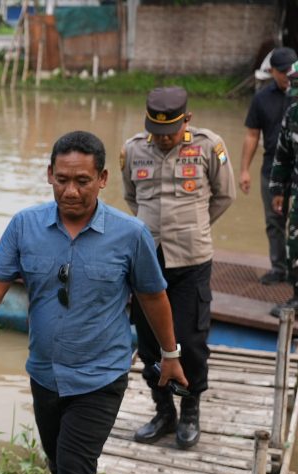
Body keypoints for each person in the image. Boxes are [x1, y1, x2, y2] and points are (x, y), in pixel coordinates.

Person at [0, 131, 187, 474]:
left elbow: (154, 297)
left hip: (100, 377)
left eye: (82, 181)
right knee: (61, 469)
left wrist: (170, 356)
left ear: (103, 178)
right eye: (62, 180)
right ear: (50, 174)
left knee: (73, 470)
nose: (70, 191)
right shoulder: (25, 226)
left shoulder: (131, 234)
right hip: (44, 374)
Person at [121, 87, 235, 449]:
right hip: (147, 258)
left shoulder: (208, 146)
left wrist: (195, 227)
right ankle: (163, 411)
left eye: (170, 131)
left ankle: (190, 411)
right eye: (157, 131)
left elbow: (225, 195)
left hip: (191, 260)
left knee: (192, 341)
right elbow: (130, 197)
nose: (164, 138)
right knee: (151, 341)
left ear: (186, 119)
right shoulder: (134, 148)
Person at [240, 47, 298, 284]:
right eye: (282, 71)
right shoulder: (261, 98)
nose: (287, 75)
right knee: (274, 222)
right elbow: (252, 135)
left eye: (291, 70)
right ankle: (279, 268)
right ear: (272, 71)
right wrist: (244, 169)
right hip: (273, 170)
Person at [269, 61, 298, 314]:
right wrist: (278, 190)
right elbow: (283, 156)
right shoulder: (293, 114)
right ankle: (297, 297)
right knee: (294, 245)